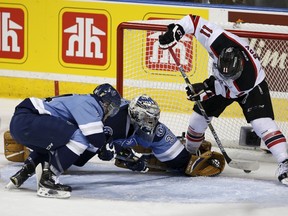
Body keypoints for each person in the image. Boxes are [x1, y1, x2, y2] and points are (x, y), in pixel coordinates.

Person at [158, 14, 288, 185]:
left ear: (239, 67)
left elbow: (226, 91)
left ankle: (284, 162)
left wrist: (204, 89)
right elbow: (193, 21)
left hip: (253, 89)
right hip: (221, 81)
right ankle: (188, 155)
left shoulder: (247, 79)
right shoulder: (217, 39)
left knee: (262, 124)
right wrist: (177, 30)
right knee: (198, 118)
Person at [7, 83, 121, 198]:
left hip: (22, 123)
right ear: (106, 103)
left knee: (57, 145)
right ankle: (48, 180)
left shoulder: (83, 100)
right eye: (112, 108)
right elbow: (95, 138)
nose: (111, 113)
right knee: (80, 137)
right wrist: (105, 146)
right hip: (29, 119)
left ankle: (23, 173)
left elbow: (82, 156)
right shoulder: (90, 103)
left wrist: (103, 145)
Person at [105, 94, 226, 177]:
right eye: (146, 118)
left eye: (152, 118)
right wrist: (124, 155)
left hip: (134, 133)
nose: (150, 122)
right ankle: (142, 151)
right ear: (137, 114)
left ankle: (179, 145)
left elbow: (186, 164)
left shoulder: (155, 127)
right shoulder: (113, 120)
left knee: (182, 162)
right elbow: (99, 140)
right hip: (112, 135)